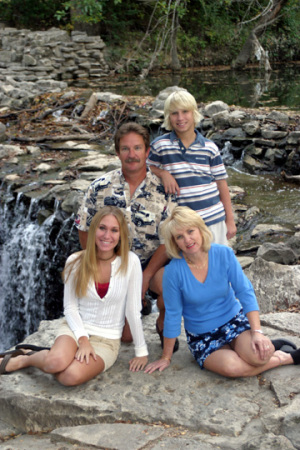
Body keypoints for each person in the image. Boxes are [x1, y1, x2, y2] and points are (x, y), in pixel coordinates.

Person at [145, 206, 300, 376]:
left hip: (234, 322)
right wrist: (166, 357)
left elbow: (245, 292)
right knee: (232, 368)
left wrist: (257, 332)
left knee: (260, 357)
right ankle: (287, 358)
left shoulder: (223, 254)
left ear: (200, 229)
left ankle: (255, 347)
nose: (187, 239)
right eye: (179, 237)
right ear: (174, 242)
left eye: (191, 231)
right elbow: (173, 314)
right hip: (202, 335)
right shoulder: (173, 272)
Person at [0, 206, 148, 384]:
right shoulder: (75, 262)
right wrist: (83, 340)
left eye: (114, 230)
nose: (107, 236)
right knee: (55, 363)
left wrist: (141, 351)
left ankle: (43, 354)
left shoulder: (130, 262)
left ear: (121, 235)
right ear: (94, 230)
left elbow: (133, 310)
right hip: (74, 328)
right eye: (102, 228)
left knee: (69, 376)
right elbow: (70, 308)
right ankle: (24, 359)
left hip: (107, 339)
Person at [75, 122, 178, 349]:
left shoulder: (164, 190)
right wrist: (98, 265)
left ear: (147, 152)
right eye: (125, 149)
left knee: (171, 285)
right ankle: (136, 306)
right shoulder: (99, 187)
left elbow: (168, 240)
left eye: (137, 148)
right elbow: (84, 228)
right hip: (115, 266)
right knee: (126, 338)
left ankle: (162, 323)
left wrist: (145, 277)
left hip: (152, 265)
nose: (132, 155)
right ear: (117, 152)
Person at [147, 90, 237, 245]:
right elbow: (145, 169)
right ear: (168, 117)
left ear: (194, 113)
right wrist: (162, 173)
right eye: (174, 113)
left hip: (212, 219)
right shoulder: (160, 145)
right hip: (182, 224)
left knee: (216, 263)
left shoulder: (209, 147)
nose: (180, 118)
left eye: (185, 112)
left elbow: (221, 184)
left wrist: (230, 220)